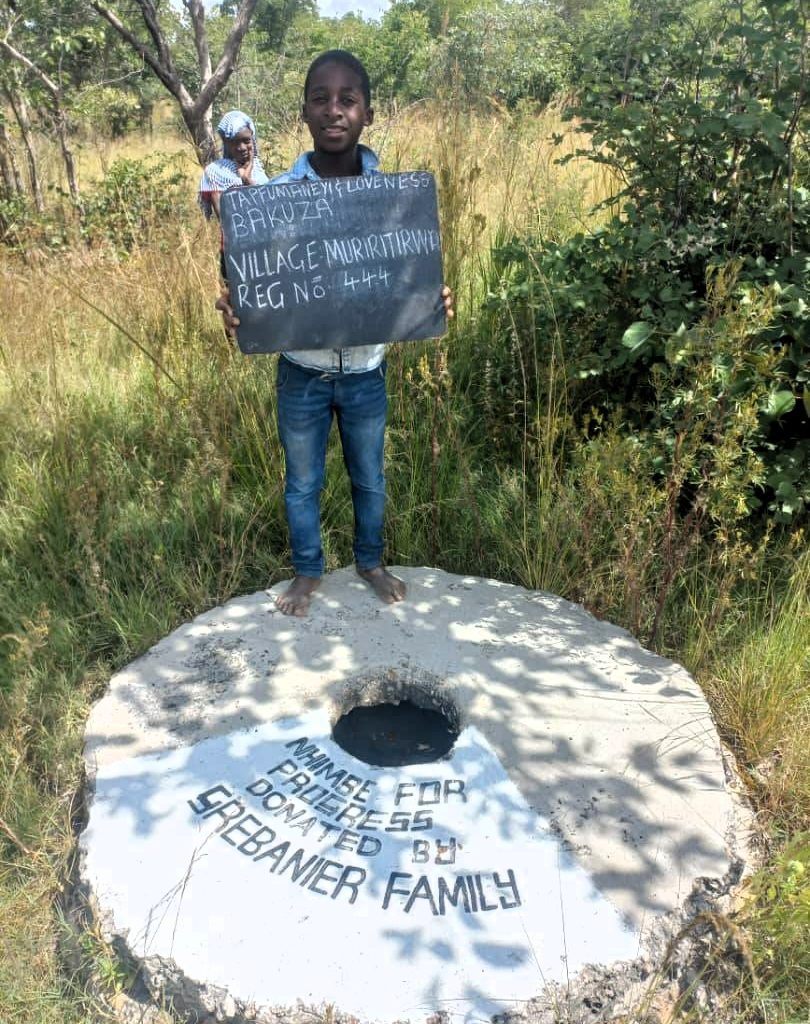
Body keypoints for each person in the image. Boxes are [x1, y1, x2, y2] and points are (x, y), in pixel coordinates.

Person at [216, 50, 453, 617]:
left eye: (348, 99)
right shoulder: (271, 200)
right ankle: (307, 571)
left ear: (368, 113)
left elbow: (408, 275)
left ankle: (370, 562)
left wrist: (433, 299)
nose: (334, 110)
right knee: (302, 482)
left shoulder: (395, 200)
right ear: (304, 112)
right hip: (302, 372)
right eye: (320, 99)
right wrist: (235, 308)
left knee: (370, 478)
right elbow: (251, 284)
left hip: (366, 372)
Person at [199, 110, 271, 221]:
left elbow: (270, 210)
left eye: (246, 141)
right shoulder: (215, 173)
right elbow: (223, 220)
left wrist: (247, 179)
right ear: (227, 143)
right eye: (235, 142)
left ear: (253, 140)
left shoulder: (258, 170)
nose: (242, 148)